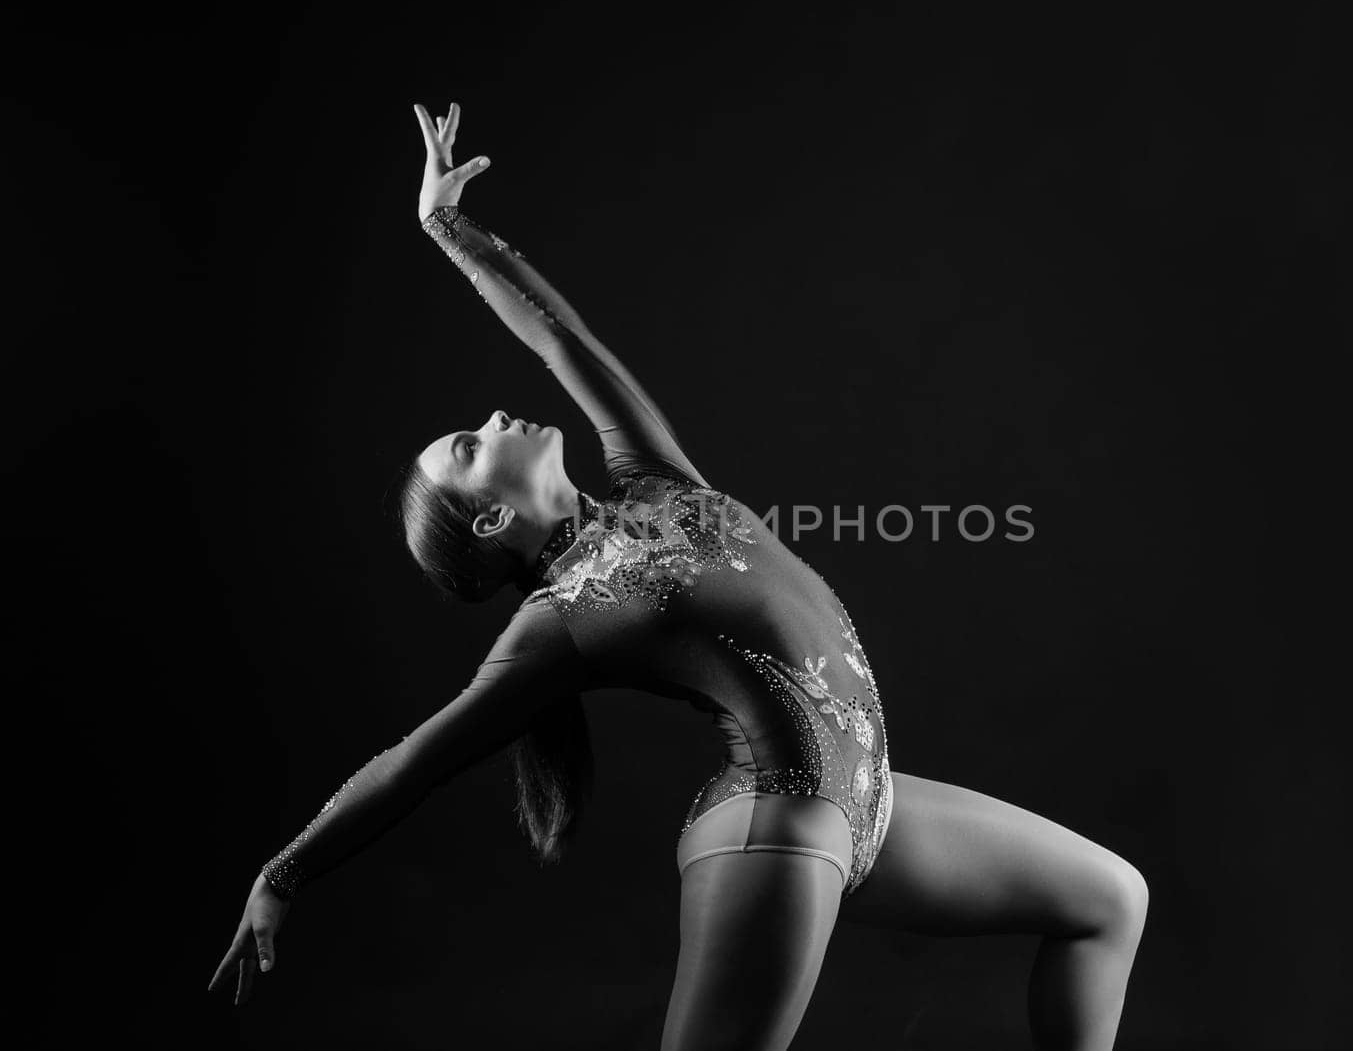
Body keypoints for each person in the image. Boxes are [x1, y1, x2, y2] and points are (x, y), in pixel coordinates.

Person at [208, 102, 1150, 1051]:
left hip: (871, 809)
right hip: (775, 825)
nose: (493, 416)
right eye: (467, 444)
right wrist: (286, 871)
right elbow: (418, 760)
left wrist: (449, 229)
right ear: (491, 519)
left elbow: (561, 342)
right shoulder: (560, 619)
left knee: (1109, 897)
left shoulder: (655, 484)